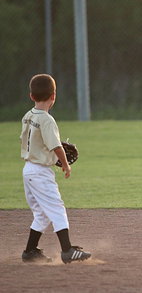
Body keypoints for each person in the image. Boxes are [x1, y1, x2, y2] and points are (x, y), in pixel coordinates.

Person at [20, 74, 91, 263]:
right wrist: (65, 164)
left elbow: (34, 140)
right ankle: (67, 250)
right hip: (40, 172)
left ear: (31, 96)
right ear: (54, 96)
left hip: (28, 170)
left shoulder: (28, 116)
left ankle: (30, 251)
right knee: (57, 208)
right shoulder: (47, 120)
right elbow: (56, 146)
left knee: (42, 213)